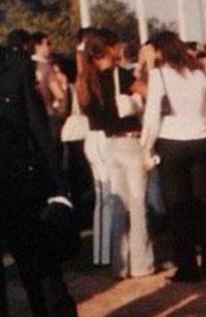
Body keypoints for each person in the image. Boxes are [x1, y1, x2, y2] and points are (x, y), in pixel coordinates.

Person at [1, 44, 77, 317]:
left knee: (42, 273)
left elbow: (39, 130)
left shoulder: (16, 69)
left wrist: (57, 184)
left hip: (20, 188)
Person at [141, 31, 206, 282]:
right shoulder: (198, 74)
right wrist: (205, 133)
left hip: (172, 141)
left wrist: (147, 146)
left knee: (179, 207)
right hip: (200, 139)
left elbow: (152, 115)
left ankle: (187, 267)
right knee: (205, 203)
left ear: (160, 50)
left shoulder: (159, 75)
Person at [76, 29, 154, 279]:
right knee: (138, 204)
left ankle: (119, 265)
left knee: (118, 206)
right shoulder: (121, 74)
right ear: (110, 48)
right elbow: (149, 93)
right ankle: (141, 263)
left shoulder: (87, 81)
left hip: (109, 143)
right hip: (130, 141)